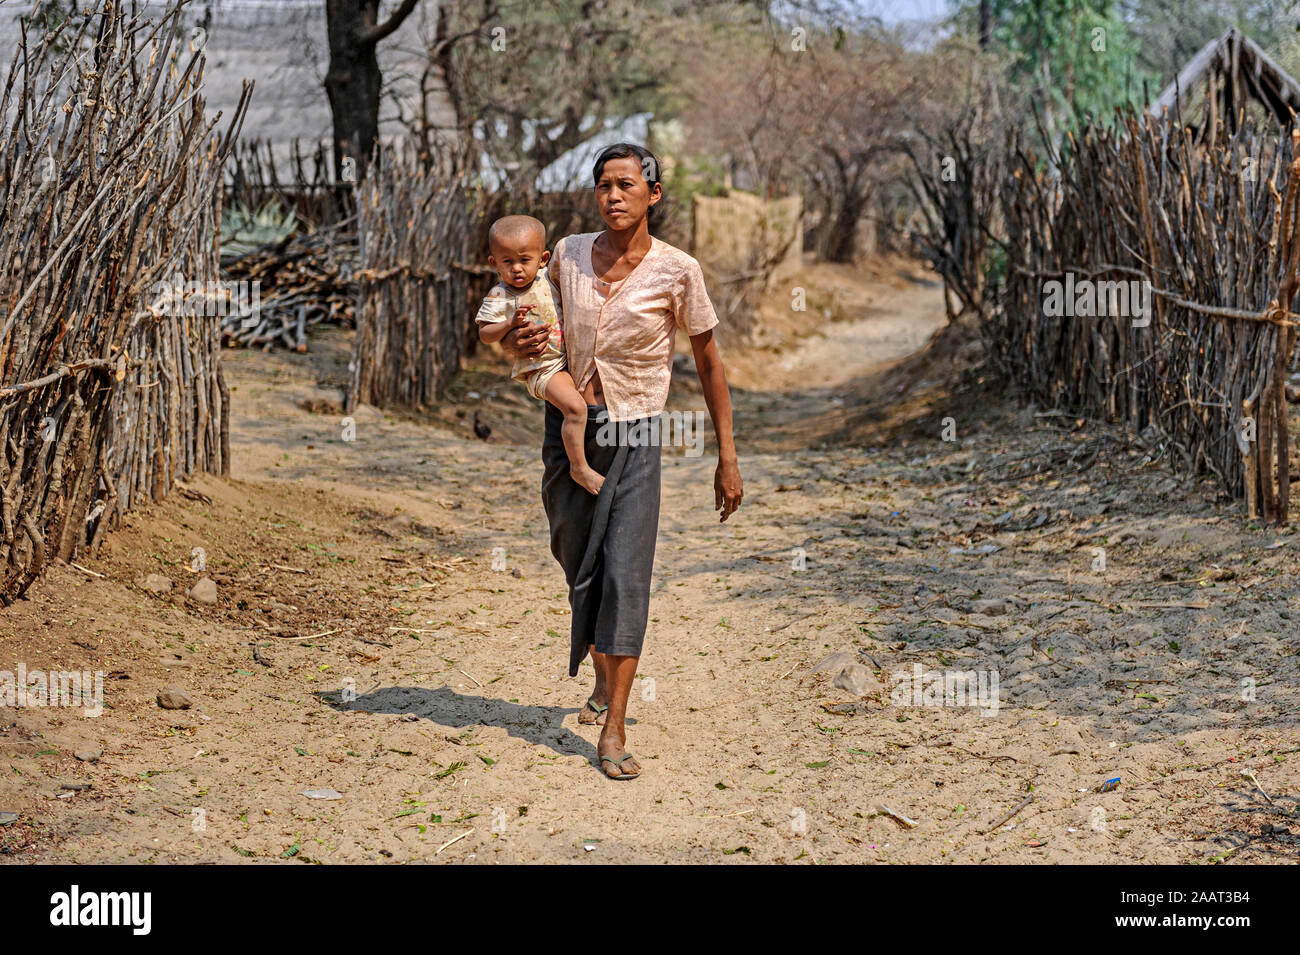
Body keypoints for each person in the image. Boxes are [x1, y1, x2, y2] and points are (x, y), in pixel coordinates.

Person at [499, 143, 743, 779]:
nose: (613, 196)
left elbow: (710, 363)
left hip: (635, 435)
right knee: (577, 560)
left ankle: (614, 729)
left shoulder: (678, 271)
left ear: (652, 195)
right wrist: (518, 337)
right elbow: (529, 320)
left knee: (626, 574)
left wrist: (727, 456)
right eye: (604, 185)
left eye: (626, 185)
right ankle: (603, 676)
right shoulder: (567, 254)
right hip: (568, 432)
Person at [475, 214, 605, 494]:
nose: (517, 269)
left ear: (543, 259)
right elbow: (484, 333)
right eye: (507, 262)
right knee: (576, 409)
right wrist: (508, 324)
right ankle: (579, 467)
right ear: (494, 263)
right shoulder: (500, 295)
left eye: (525, 260)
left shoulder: (549, 280)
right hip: (542, 369)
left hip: (568, 361)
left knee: (588, 406)